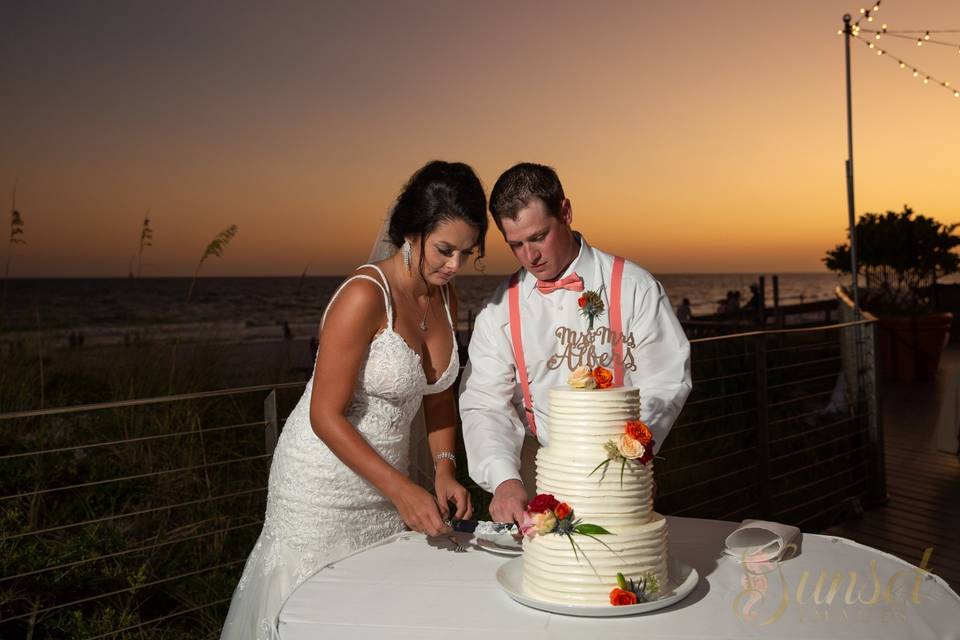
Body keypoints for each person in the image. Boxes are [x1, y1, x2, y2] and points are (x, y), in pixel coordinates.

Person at [221, 161, 487, 640]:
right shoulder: (364, 295)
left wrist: (444, 468)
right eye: (446, 250)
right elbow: (324, 414)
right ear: (411, 232)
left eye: (467, 254)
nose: (454, 266)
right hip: (322, 485)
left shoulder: (446, 296)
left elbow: (439, 394)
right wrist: (402, 489)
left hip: (389, 488)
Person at [459, 163, 692, 524]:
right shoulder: (498, 309)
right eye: (516, 245)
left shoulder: (634, 287)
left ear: (565, 212)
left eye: (538, 237)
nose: (529, 257)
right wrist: (504, 479)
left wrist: (629, 455)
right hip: (537, 466)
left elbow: (666, 380)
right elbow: (484, 402)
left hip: (620, 468)